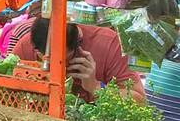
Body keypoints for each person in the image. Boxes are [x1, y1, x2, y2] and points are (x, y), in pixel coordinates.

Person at [11, 15, 145, 102]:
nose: (59, 65)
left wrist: (96, 87)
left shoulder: (109, 44)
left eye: (64, 58)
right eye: (49, 59)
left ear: (78, 45)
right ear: (36, 51)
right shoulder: (25, 47)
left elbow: (140, 102)